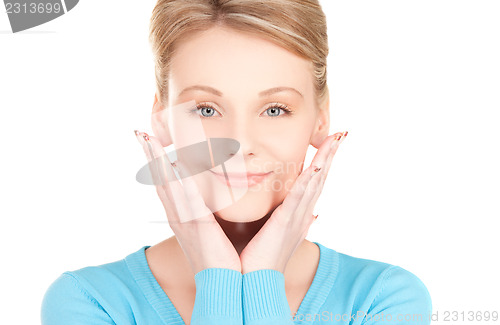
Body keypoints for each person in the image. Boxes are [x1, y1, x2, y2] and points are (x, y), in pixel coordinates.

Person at [41, 0, 432, 324]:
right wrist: (220, 277)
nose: (240, 144)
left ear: (320, 119)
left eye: (275, 110)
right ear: (161, 118)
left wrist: (262, 276)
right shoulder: (90, 303)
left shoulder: (383, 300)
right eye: (207, 109)